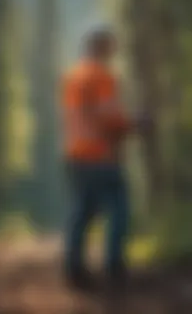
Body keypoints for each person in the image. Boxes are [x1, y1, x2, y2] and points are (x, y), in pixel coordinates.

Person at [61, 24, 147, 290]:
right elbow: (108, 116)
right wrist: (136, 123)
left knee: (82, 210)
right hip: (101, 155)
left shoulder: (74, 76)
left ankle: (74, 266)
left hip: (75, 154)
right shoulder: (101, 76)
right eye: (111, 45)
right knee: (119, 208)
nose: (114, 50)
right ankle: (114, 265)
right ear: (101, 46)